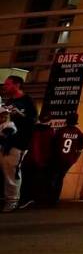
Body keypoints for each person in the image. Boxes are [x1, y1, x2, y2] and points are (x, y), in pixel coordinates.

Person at [1, 75, 37, 212]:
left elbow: (33, 120)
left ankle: (12, 201)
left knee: (12, 171)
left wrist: (18, 115)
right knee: (6, 170)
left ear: (17, 85)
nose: (5, 87)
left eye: (8, 84)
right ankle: (7, 198)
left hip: (19, 142)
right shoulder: (8, 101)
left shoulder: (28, 101)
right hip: (5, 141)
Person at [17, 114, 54, 209]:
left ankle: (22, 198)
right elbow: (49, 147)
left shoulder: (33, 130)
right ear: (49, 121)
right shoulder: (50, 132)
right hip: (41, 161)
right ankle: (29, 199)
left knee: (25, 180)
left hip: (29, 158)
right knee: (35, 181)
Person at [48, 113, 83, 206]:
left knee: (53, 177)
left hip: (58, 157)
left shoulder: (61, 131)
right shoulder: (79, 133)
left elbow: (53, 144)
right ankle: (55, 199)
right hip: (68, 160)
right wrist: (75, 159)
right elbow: (80, 149)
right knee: (60, 178)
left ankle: (49, 197)